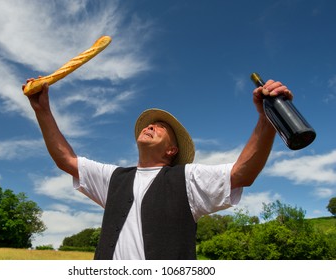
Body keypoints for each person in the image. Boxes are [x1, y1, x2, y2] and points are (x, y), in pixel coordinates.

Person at [23, 78, 293, 260]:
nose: (150, 126)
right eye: (148, 124)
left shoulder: (187, 179)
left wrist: (267, 120)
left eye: (160, 128)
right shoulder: (113, 178)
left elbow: (242, 174)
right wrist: (42, 110)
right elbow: (66, 160)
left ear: (171, 151)